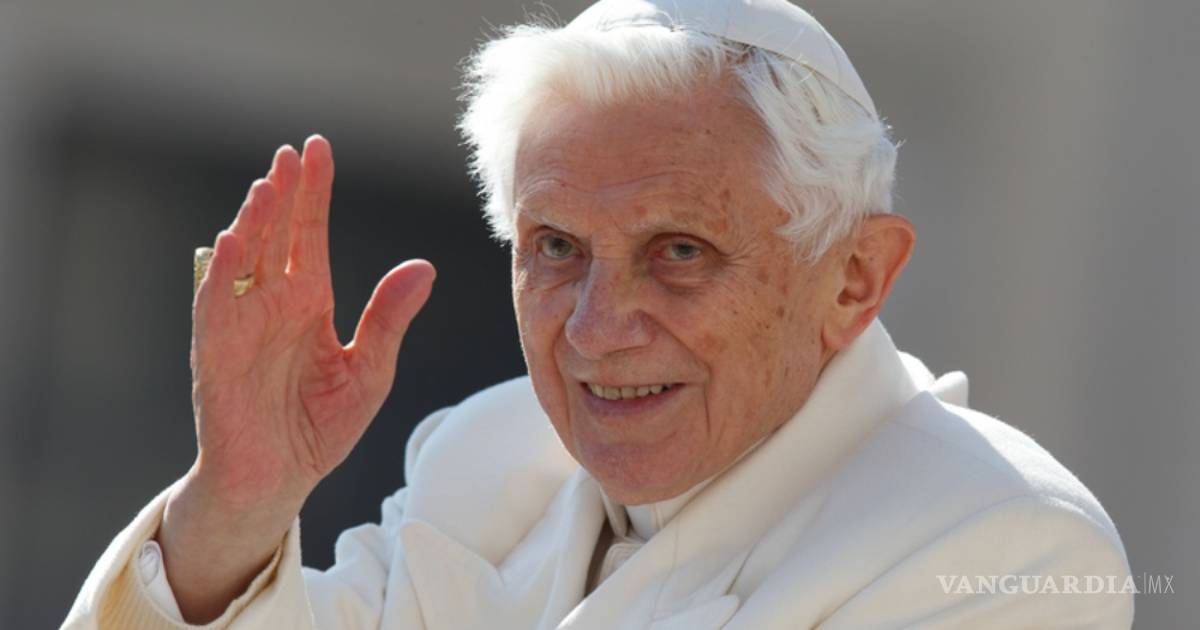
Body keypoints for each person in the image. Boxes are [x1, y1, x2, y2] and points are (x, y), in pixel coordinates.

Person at [63, 0, 1135, 628]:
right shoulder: (483, 461)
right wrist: (239, 507)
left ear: (853, 278)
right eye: (556, 250)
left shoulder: (1006, 546)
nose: (593, 329)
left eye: (680, 253)